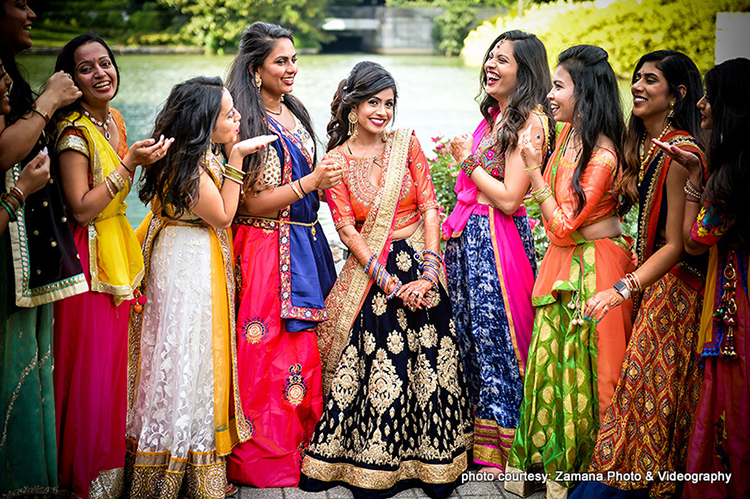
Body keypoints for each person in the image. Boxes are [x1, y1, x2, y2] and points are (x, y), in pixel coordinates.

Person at [299, 61, 472, 499]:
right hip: (373, 274)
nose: (382, 112)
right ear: (352, 106)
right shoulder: (335, 161)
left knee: (433, 366)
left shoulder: (405, 142)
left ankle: (435, 464)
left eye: (389, 103)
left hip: (420, 260)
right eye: (373, 102)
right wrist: (390, 283)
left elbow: (431, 205)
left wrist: (430, 272)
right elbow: (346, 229)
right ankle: (372, 464)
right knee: (380, 366)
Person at [127, 76, 275, 496]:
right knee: (187, 355)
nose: (238, 117)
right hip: (187, 268)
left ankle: (188, 463)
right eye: (229, 114)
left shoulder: (190, 156)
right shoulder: (187, 165)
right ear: (203, 121)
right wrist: (237, 156)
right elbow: (225, 215)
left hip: (188, 259)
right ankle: (175, 470)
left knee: (190, 356)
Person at [572, 51, 707, 499]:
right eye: (636, 78)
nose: (638, 87)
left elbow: (676, 244)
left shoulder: (681, 150)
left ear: (677, 94)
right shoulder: (645, 145)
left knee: (647, 391)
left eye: (651, 80)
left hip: (673, 289)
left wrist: (621, 288)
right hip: (650, 283)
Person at [505, 45, 636, 498]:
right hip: (565, 263)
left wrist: (533, 173)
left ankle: (581, 479)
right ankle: (540, 468)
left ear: (586, 94)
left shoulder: (601, 156)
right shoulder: (568, 137)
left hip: (596, 266)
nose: (549, 95)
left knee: (587, 374)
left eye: (559, 87)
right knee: (548, 366)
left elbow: (561, 224)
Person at [51, 32, 172, 498]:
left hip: (119, 249)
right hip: (87, 256)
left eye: (106, 63)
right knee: (88, 367)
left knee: (115, 366)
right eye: (87, 68)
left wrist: (144, 161)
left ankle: (108, 467)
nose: (101, 73)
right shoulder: (74, 134)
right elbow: (81, 208)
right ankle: (80, 474)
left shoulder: (115, 120)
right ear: (72, 80)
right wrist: (128, 164)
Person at [224, 21, 339, 488]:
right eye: (281, 61)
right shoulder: (247, 124)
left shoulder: (294, 109)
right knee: (264, 352)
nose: (291, 69)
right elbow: (247, 202)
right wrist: (310, 184)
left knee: (305, 349)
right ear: (256, 70)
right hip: (263, 247)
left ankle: (302, 445)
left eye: (294, 59)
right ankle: (262, 456)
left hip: (306, 243)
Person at [441, 29, 554, 474]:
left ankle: (510, 449)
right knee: (473, 339)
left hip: (497, 239)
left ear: (524, 71)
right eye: (490, 57)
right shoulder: (495, 117)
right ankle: (481, 445)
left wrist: (466, 161)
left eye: (502, 60)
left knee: (501, 341)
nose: (490, 64)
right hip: (472, 237)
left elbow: (510, 197)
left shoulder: (530, 123)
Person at [0, 2, 87, 495]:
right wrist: (48, 102)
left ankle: (35, 478)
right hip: (9, 237)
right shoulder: (67, 122)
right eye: (19, 3)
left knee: (35, 360)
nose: (31, 12)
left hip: (28, 248)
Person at [654, 57, 750, 499]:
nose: (704, 104)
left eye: (712, 96)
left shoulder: (731, 177)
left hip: (735, 297)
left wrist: (695, 179)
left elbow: (694, 242)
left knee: (733, 398)